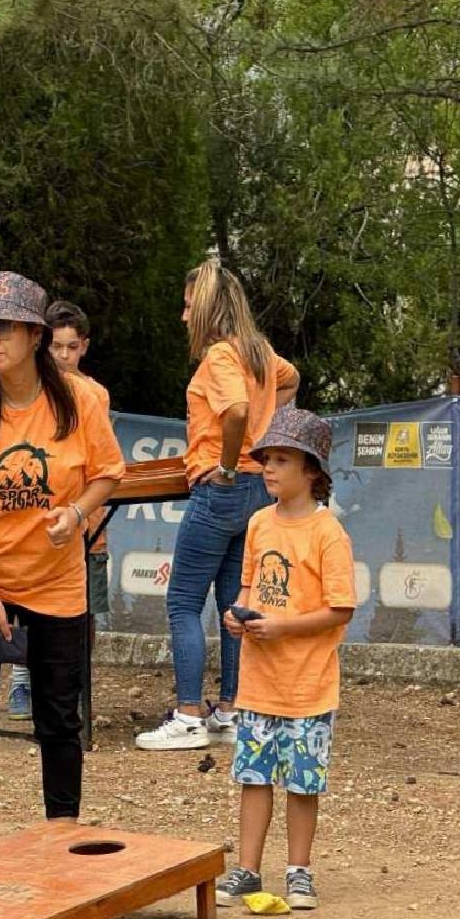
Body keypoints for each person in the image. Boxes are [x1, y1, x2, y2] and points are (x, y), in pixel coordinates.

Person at [0, 272, 124, 868]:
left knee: (59, 717)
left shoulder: (80, 400)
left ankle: (63, 840)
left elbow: (109, 473)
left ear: (36, 334)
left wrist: (78, 513)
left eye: (5, 326)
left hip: (57, 582)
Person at [136, 259, 299, 751]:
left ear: (207, 309)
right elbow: (289, 381)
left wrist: (228, 463)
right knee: (234, 604)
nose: (184, 317)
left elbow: (237, 411)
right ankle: (230, 709)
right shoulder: (260, 352)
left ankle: (188, 714)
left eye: (189, 307)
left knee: (183, 601)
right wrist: (265, 439)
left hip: (223, 489)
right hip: (255, 491)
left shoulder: (221, 358)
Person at [213, 406, 356, 910]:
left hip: (308, 686)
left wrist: (282, 627)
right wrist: (238, 614)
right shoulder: (257, 523)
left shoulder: (327, 533)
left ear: (312, 471)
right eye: (266, 459)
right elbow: (249, 583)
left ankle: (299, 871)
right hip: (258, 682)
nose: (268, 469)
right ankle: (247, 870)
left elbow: (340, 609)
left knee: (302, 782)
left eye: (281, 460)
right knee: (252, 776)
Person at [6, 300, 114, 722]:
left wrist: (82, 510)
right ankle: (20, 677)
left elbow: (102, 464)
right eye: (56, 347)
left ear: (83, 347)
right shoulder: (25, 393)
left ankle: (74, 688)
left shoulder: (95, 395)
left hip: (86, 526)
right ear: (41, 347)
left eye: (71, 347)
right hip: (31, 524)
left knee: (84, 612)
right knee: (23, 606)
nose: (63, 356)